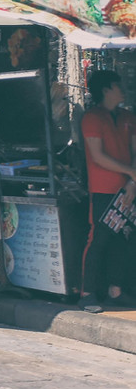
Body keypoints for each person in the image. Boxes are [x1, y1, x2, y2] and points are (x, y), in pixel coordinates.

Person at [79, 71, 136, 313]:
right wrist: (131, 174)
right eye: (117, 84)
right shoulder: (92, 118)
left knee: (123, 239)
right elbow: (98, 156)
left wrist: (132, 181)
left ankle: (116, 291)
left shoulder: (128, 116)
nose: (122, 88)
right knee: (99, 239)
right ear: (105, 89)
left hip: (129, 188)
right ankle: (86, 293)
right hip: (103, 188)